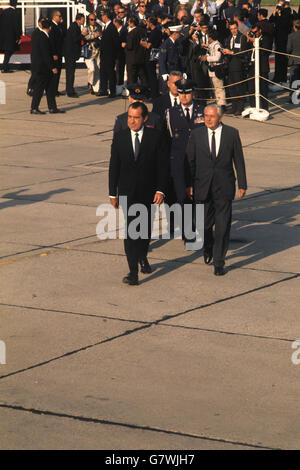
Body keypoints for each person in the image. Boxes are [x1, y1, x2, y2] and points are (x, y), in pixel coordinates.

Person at [109, 101, 169, 285]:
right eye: (129, 117)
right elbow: (114, 166)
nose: (132, 121)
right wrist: (113, 193)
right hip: (127, 191)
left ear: (145, 118)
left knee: (144, 230)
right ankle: (132, 271)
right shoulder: (120, 137)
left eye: (136, 118)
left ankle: (143, 255)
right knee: (131, 231)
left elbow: (163, 166)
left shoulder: (155, 137)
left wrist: (161, 189)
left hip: (149, 192)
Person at [186, 104, 247, 275]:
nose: (208, 119)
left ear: (220, 118)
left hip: (224, 186)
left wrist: (242, 184)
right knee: (204, 224)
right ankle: (208, 245)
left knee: (222, 225)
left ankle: (219, 262)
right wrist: (189, 184)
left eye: (212, 116)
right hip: (202, 185)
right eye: (206, 116)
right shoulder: (196, 134)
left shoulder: (231, 134)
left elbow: (239, 160)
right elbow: (190, 161)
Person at [164, 78, 204, 238]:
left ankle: (197, 225)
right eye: (181, 93)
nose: (184, 97)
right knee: (182, 197)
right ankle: (188, 232)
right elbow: (168, 138)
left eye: (187, 93)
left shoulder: (202, 110)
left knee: (198, 197)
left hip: (199, 162)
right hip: (179, 163)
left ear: (192, 93)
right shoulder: (170, 113)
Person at [30, 18, 65, 115]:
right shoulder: (44, 37)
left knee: (50, 89)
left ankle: (52, 107)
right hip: (43, 68)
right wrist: (52, 67)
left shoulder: (40, 35)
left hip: (41, 67)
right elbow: (45, 55)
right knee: (39, 89)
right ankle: (34, 108)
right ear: (49, 27)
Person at [223, 20, 249, 115]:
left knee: (239, 87)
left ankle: (240, 107)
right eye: (231, 29)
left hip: (238, 66)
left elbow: (243, 52)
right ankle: (234, 107)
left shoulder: (241, 37)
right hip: (229, 66)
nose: (233, 31)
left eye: (235, 28)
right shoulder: (228, 38)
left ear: (237, 28)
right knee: (232, 87)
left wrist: (231, 52)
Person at [201, 29, 226, 112]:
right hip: (212, 69)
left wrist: (207, 58)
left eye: (208, 36)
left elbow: (217, 57)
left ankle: (222, 104)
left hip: (217, 68)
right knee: (215, 88)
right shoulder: (212, 45)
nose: (207, 38)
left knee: (219, 88)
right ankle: (218, 102)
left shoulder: (217, 45)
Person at [247, 23, 270, 111]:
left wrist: (255, 41)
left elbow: (266, 50)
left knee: (263, 90)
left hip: (262, 67)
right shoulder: (252, 40)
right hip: (252, 66)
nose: (254, 34)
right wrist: (249, 39)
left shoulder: (265, 39)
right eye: (253, 32)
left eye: (256, 32)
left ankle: (264, 108)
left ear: (260, 30)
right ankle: (253, 107)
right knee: (251, 88)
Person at [98, 9, 120, 98]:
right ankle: (103, 89)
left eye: (103, 15)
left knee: (110, 73)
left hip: (110, 55)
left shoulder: (112, 27)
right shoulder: (106, 27)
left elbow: (116, 43)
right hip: (104, 54)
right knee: (103, 72)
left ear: (106, 16)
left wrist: (115, 56)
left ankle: (112, 91)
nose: (102, 17)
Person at [64, 13, 86, 98]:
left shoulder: (75, 26)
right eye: (83, 20)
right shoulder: (74, 27)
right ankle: (70, 91)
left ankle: (69, 89)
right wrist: (82, 35)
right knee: (70, 73)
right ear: (79, 20)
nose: (84, 21)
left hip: (71, 54)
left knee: (70, 72)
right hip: (70, 54)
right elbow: (75, 39)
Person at [125, 16, 148, 87]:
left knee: (132, 77)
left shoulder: (131, 33)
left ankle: (133, 93)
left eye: (129, 22)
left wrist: (124, 45)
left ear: (131, 23)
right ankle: (146, 91)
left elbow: (129, 46)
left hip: (132, 58)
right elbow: (145, 44)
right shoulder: (143, 31)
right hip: (141, 57)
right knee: (143, 76)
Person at [82, 13, 102, 95]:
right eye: (91, 19)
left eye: (94, 19)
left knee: (97, 70)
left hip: (97, 51)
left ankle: (96, 88)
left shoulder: (98, 28)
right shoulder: (85, 28)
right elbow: (84, 37)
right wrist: (94, 36)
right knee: (91, 69)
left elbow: (101, 35)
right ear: (88, 20)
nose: (93, 21)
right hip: (89, 52)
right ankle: (90, 82)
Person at [0, 0, 21, 73]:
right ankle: (4, 67)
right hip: (11, 36)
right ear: (16, 4)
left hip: (4, 36)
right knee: (9, 51)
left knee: (7, 51)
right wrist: (19, 36)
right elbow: (17, 26)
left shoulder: (4, 12)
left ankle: (4, 66)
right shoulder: (16, 13)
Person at [49, 10, 65, 97]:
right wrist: (54, 53)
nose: (61, 18)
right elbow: (52, 42)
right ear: (54, 17)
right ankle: (52, 90)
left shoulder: (58, 26)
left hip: (59, 53)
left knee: (58, 73)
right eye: (59, 16)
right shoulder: (52, 27)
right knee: (54, 73)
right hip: (55, 54)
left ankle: (55, 89)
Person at [286, 19, 300, 101]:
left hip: (295, 60)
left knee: (294, 80)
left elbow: (288, 49)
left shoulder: (291, 36)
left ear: (294, 27)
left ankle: (294, 98)